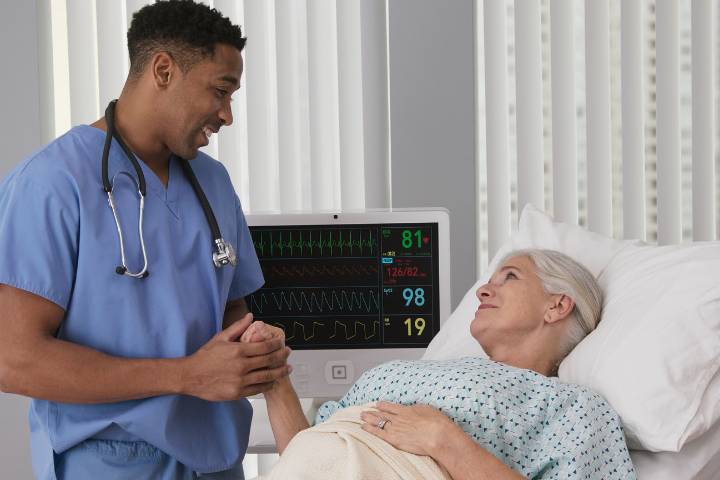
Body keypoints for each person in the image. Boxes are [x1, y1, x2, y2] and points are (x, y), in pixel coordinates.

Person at [0, 1, 292, 479]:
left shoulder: (212, 182)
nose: (227, 115)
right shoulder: (50, 184)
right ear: (162, 70)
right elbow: (15, 360)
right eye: (220, 91)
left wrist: (257, 351)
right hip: (110, 463)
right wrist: (188, 375)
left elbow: (232, 317)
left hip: (215, 460)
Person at [241, 249, 637, 479]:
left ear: (557, 305)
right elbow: (305, 455)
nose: (483, 289)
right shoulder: (429, 368)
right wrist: (275, 377)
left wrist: (443, 441)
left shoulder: (574, 407)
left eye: (510, 277)